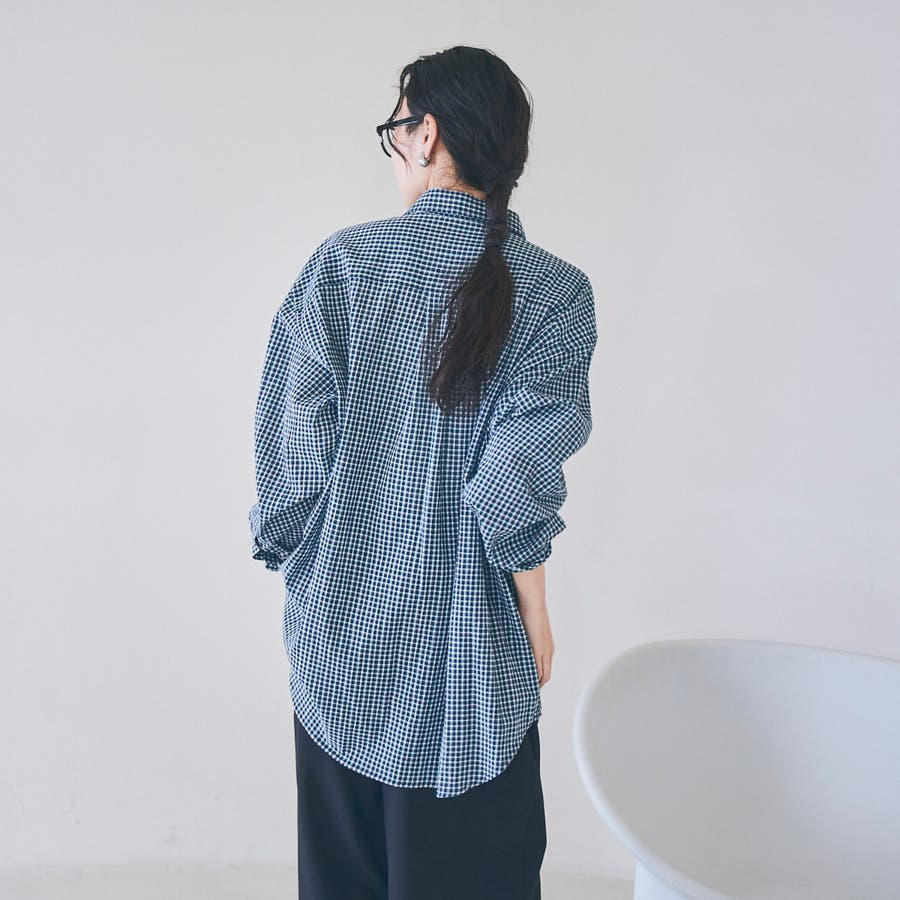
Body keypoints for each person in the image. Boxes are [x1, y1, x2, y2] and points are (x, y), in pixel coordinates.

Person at [248, 44, 597, 900]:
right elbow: (511, 485)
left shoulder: (344, 265)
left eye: (394, 128)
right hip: (470, 668)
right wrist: (535, 610)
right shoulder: (556, 292)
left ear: (426, 134)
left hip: (341, 643)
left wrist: (311, 567)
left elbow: (289, 463)